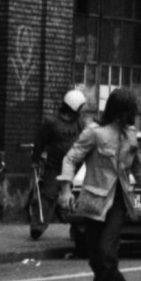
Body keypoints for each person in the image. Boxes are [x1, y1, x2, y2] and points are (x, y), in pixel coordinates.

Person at [57, 89, 141, 281]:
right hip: (94, 202)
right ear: (119, 111)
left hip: (118, 203)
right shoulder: (95, 133)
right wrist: (65, 190)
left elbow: (139, 168)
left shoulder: (131, 136)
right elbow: (70, 159)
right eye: (129, 111)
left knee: (107, 253)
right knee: (95, 258)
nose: (132, 116)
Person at [29, 88, 90, 241]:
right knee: (48, 195)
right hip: (54, 167)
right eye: (80, 107)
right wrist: (35, 160)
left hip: (73, 168)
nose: (82, 111)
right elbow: (39, 141)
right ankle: (37, 226)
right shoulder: (51, 122)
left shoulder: (79, 123)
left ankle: (77, 228)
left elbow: (86, 140)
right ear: (74, 107)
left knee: (73, 198)